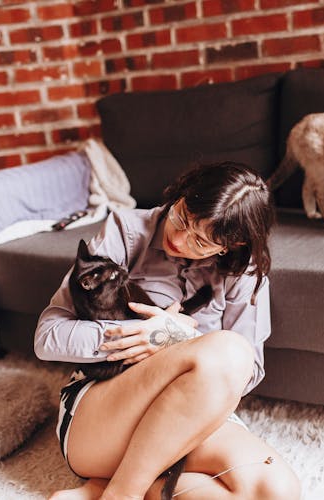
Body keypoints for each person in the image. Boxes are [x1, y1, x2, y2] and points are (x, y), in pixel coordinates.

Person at [35, 161, 301, 500]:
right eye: (182, 216)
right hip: (103, 416)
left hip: (183, 423)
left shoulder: (244, 271)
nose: (178, 237)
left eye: (201, 241)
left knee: (277, 491)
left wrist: (178, 341)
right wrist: (142, 336)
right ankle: (123, 494)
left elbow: (250, 371)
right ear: (182, 193)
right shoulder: (127, 230)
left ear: (228, 248)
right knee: (231, 350)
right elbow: (47, 337)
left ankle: (102, 490)